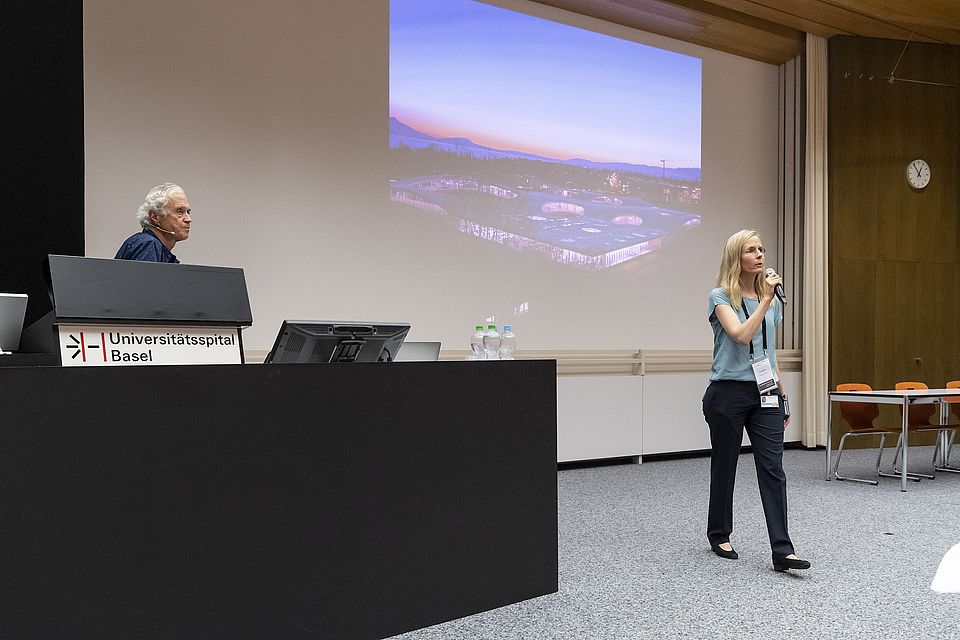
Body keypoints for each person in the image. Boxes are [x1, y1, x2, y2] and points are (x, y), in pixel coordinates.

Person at [701, 229, 809, 572]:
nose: (760, 255)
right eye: (752, 250)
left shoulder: (772, 301)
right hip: (727, 393)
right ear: (737, 258)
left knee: (773, 467)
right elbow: (741, 335)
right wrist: (764, 299)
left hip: (764, 391)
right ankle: (718, 533)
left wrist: (782, 390)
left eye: (762, 249)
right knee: (726, 464)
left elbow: (767, 349)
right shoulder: (720, 297)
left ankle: (782, 550)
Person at [115, 183, 192, 263]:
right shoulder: (148, 244)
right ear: (155, 217)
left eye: (188, 212)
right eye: (179, 211)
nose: (188, 219)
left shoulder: (150, 244)